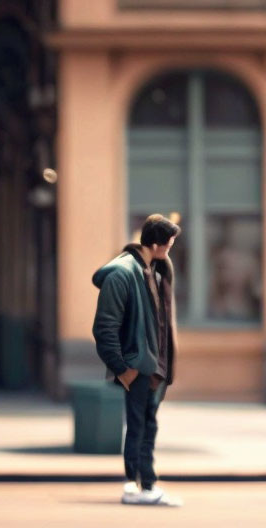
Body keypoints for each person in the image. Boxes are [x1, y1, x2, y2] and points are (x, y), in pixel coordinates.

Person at [92, 214, 182, 507]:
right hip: (138, 365)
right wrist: (123, 369)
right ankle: (144, 485)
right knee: (141, 426)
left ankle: (137, 485)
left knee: (144, 424)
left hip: (152, 365)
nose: (169, 251)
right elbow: (104, 328)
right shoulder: (123, 273)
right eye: (168, 246)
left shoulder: (153, 270)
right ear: (154, 244)